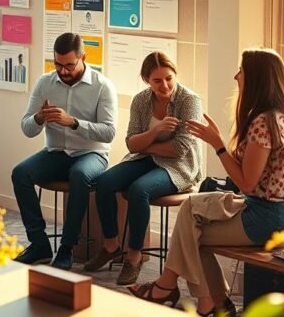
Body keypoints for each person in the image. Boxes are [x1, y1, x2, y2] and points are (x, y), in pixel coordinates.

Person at [129, 48, 284, 317]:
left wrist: (218, 145)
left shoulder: (264, 123)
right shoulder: (282, 116)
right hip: (272, 209)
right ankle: (205, 299)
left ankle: (189, 295)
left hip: (265, 216)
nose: (236, 76)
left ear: (256, 78)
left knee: (192, 233)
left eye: (242, 71)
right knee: (191, 209)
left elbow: (246, 183)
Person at [87, 52, 204, 285]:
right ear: (146, 80)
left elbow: (180, 149)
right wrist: (154, 132)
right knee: (103, 182)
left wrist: (147, 144)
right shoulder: (141, 101)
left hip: (178, 167)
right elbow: (131, 142)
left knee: (139, 190)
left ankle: (134, 255)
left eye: (169, 78)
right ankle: (110, 244)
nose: (165, 85)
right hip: (143, 157)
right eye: (157, 81)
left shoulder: (189, 100)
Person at [12, 33, 117, 269]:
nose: (63, 70)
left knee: (79, 176)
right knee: (20, 173)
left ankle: (67, 248)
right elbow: (27, 128)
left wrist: (74, 122)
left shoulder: (102, 86)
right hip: (56, 153)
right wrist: (39, 118)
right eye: (57, 64)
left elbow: (109, 133)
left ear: (83, 58)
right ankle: (39, 244)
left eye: (69, 65)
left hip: (92, 154)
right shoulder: (45, 82)